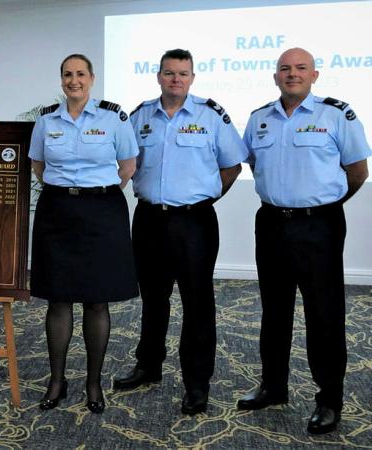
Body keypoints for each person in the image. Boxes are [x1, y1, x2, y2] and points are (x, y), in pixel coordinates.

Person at [237, 47, 370, 434]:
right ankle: (273, 387)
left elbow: (357, 171)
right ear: (275, 76)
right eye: (284, 69)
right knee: (273, 311)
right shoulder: (259, 118)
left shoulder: (337, 114)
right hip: (272, 223)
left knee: (324, 315)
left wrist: (321, 205)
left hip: (320, 227)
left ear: (314, 75)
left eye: (300, 68)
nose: (291, 74)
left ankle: (329, 399)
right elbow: (254, 164)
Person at [112, 49, 247, 415]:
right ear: (158, 76)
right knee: (153, 299)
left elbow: (232, 165)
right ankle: (148, 365)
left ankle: (197, 383)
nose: (176, 79)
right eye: (169, 73)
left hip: (194, 222)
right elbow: (126, 163)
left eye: (183, 74)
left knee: (198, 304)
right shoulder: (140, 116)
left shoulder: (211, 115)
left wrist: (204, 197)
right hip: (150, 219)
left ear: (192, 78)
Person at [29, 54, 139, 414]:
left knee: (97, 299)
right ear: (60, 79)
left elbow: (127, 165)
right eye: (67, 74)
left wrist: (94, 193)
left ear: (92, 78)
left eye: (80, 74)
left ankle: (93, 382)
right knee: (58, 299)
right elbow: (38, 165)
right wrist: (68, 193)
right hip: (57, 213)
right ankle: (57, 380)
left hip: (101, 213)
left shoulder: (114, 117)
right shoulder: (46, 120)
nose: (73, 80)